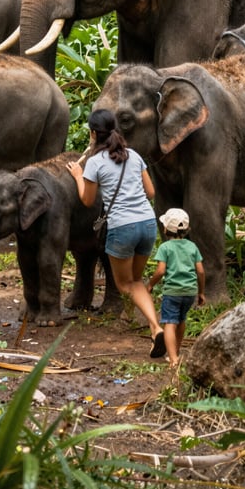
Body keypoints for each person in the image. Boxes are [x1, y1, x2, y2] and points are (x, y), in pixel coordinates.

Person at [67, 108, 166, 358]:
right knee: (136, 280)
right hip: (147, 223)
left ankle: (156, 328)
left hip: (122, 227)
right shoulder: (134, 155)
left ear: (93, 134)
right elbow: (151, 192)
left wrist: (78, 176)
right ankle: (139, 321)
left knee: (126, 284)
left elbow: (87, 200)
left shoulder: (94, 163)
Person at [147, 208, 205, 369]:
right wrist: (201, 292)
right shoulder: (192, 247)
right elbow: (200, 271)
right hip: (190, 292)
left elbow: (160, 271)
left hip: (172, 292)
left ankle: (173, 360)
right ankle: (176, 352)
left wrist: (150, 284)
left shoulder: (165, 247)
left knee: (170, 323)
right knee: (181, 320)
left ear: (166, 229)